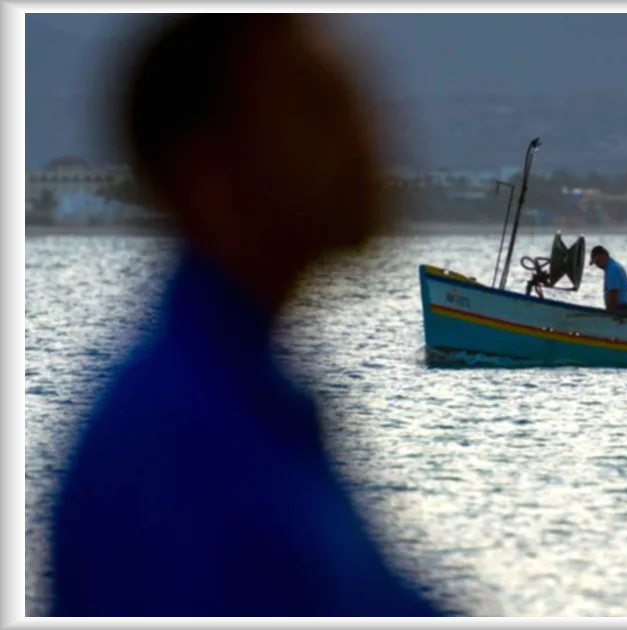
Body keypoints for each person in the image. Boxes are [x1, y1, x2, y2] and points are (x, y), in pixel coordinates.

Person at [50, 14, 447, 617]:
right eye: (315, 110)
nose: (363, 135)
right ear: (207, 177)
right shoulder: (172, 453)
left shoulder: (260, 405)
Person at [589, 245, 627, 314]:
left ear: (604, 255)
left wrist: (609, 315)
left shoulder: (612, 269)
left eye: (598, 261)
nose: (597, 264)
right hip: (624, 309)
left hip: (622, 310)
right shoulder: (612, 266)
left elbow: (613, 294)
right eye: (595, 263)